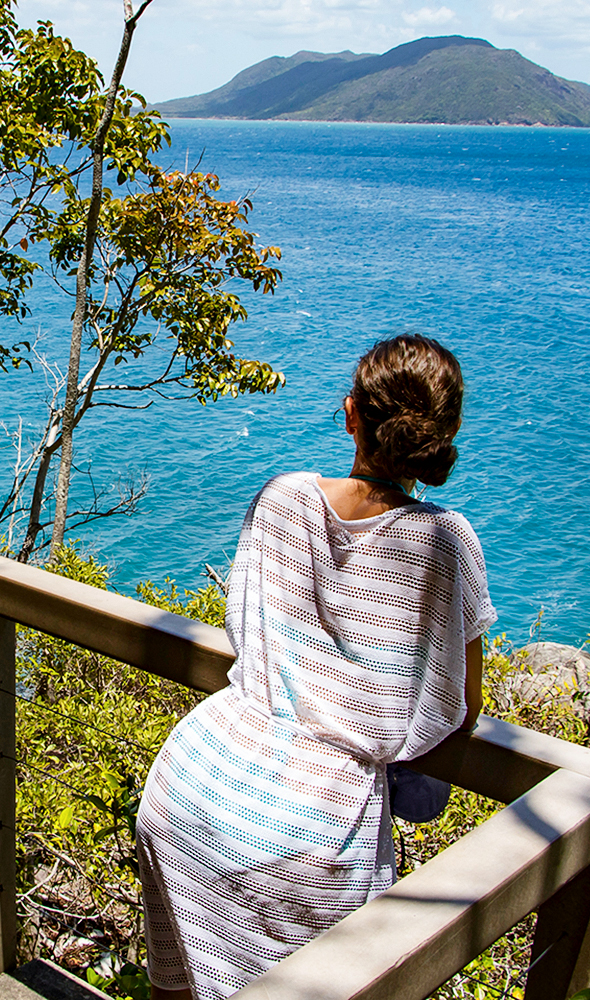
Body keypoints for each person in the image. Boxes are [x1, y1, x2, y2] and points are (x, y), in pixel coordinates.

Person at [134, 334, 496, 1000]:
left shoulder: (284, 496)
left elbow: (247, 630)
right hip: (314, 833)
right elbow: (460, 707)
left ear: (351, 412)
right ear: (445, 433)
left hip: (194, 785)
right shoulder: (446, 541)